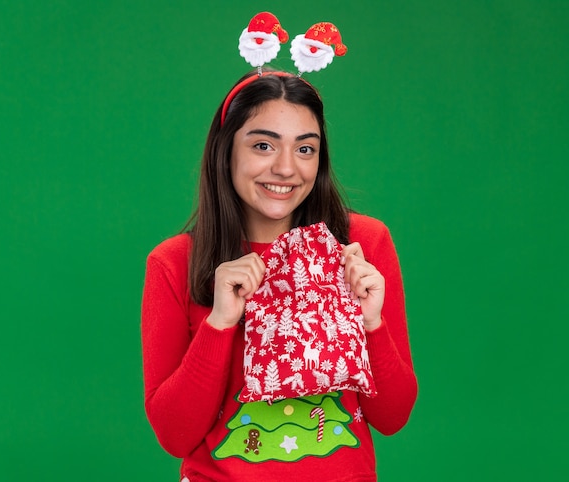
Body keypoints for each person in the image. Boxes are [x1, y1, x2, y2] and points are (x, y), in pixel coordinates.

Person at [141, 70, 418, 481]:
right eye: (263, 145)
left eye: (305, 149)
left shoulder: (362, 245)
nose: (287, 168)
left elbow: (393, 417)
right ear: (226, 150)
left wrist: (372, 323)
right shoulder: (174, 262)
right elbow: (174, 437)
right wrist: (219, 324)